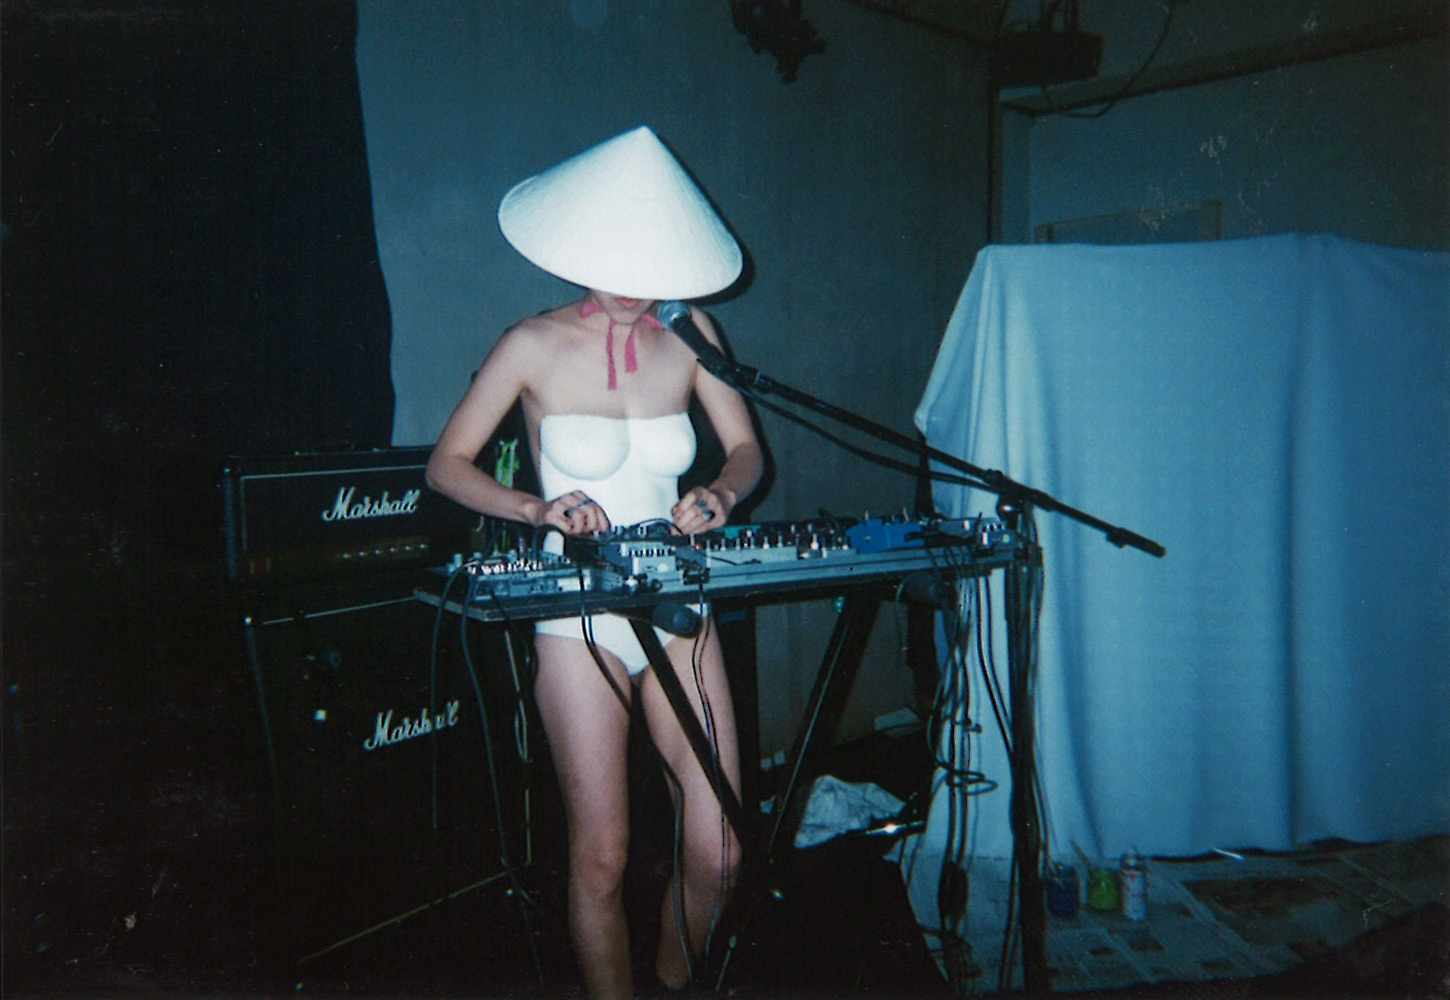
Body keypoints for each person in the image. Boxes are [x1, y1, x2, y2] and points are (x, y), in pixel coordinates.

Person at [426, 126, 763, 1000]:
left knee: (722, 850)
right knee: (603, 856)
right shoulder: (530, 343)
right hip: (576, 613)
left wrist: (721, 495)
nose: (629, 284)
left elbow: (746, 452)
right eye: (613, 261)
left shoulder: (693, 333)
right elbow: (446, 466)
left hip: (676, 597)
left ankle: (672, 979)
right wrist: (536, 509)